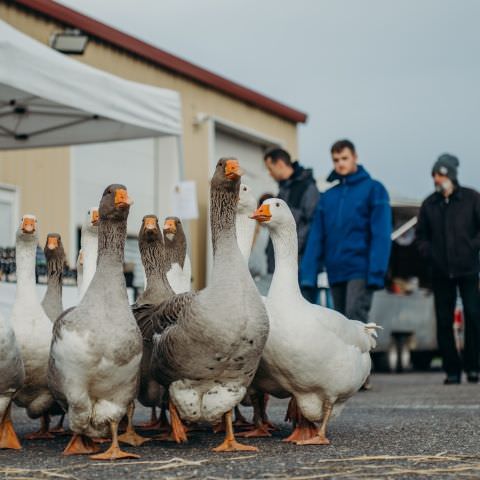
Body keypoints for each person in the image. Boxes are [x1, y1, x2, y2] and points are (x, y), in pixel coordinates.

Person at [300, 139, 392, 324]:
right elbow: (317, 238)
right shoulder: (328, 197)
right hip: (335, 271)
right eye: (336, 160)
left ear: (355, 157)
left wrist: (376, 272)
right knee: (341, 326)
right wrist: (308, 275)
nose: (340, 163)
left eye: (344, 158)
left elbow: (381, 234)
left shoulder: (374, 189)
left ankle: (363, 354)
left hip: (360, 269)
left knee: (355, 323)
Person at [415, 154, 480, 385]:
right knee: (444, 321)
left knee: (473, 316)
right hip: (441, 272)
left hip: (468, 269)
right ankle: (452, 370)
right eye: (434, 175)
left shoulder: (472, 198)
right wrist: (429, 253)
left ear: (451, 175)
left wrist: (472, 247)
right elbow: (420, 236)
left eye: (440, 174)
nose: (436, 179)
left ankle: (473, 367)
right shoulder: (429, 204)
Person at [263, 148, 320, 302]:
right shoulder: (283, 191)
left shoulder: (308, 189)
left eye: (270, 168)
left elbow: (312, 227)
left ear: (280, 164)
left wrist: (290, 250)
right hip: (281, 266)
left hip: (299, 268)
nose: (269, 173)